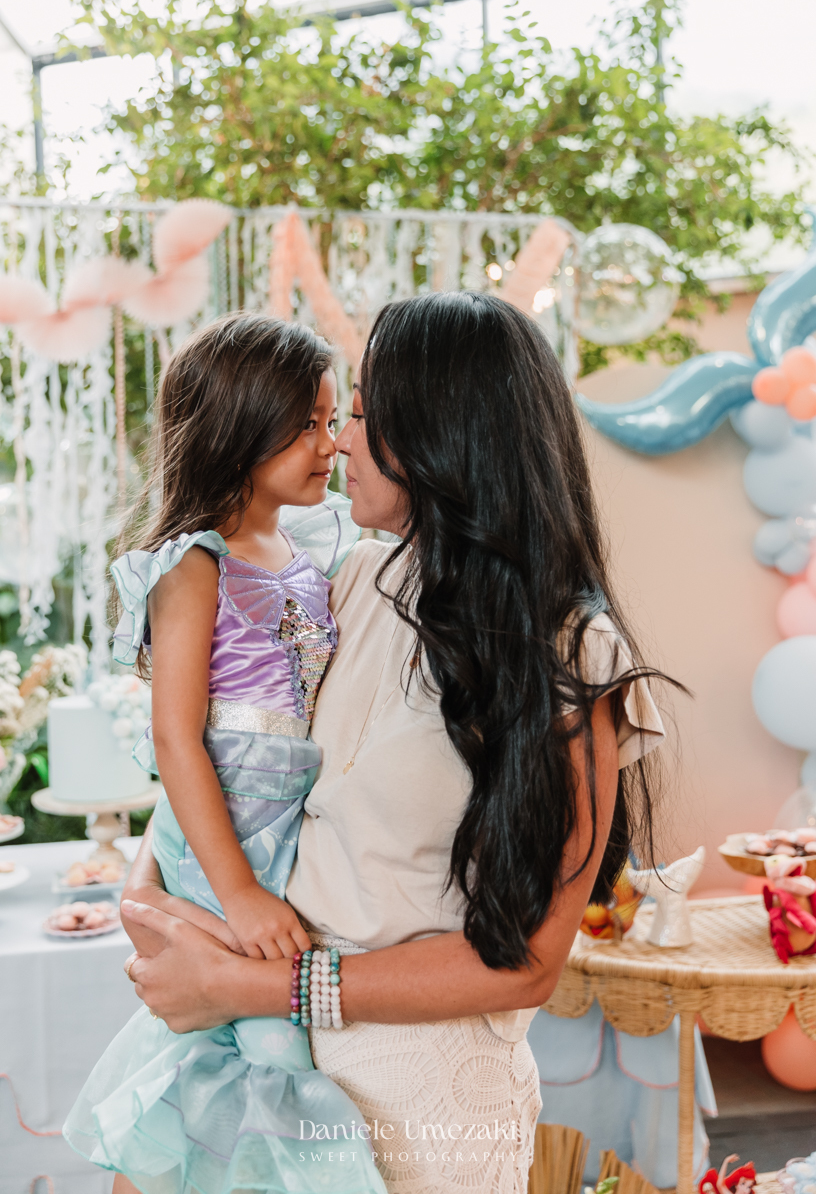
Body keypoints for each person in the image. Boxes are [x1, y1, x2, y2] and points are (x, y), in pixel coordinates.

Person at [112, 292, 668, 1194]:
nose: (338, 444)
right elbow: (228, 760)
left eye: (361, 416)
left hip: (427, 1108)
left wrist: (260, 991)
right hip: (263, 1081)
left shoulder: (573, 654)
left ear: (444, 436)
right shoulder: (341, 577)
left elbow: (525, 963)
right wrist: (154, 905)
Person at [64, 313, 386, 1194]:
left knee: (220, 1038)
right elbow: (175, 738)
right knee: (268, 1045)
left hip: (286, 822)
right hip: (225, 825)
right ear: (240, 427)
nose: (332, 446)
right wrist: (237, 890)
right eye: (308, 425)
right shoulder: (193, 564)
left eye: (332, 423)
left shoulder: (313, 547)